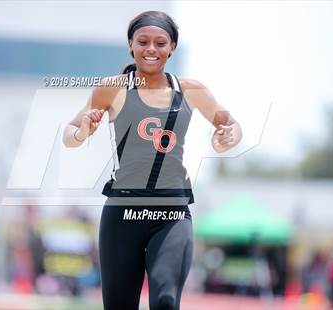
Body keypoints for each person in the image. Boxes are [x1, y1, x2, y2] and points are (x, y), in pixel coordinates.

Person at [63, 10, 242, 310]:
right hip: (122, 215)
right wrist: (83, 132)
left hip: (172, 214)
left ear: (172, 47)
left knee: (166, 301)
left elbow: (231, 126)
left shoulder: (192, 90)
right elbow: (69, 135)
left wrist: (227, 137)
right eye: (143, 41)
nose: (151, 49)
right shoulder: (111, 88)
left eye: (160, 43)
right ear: (130, 45)